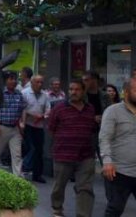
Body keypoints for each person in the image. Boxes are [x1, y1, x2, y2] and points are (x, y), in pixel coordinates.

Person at [48, 79, 97, 217]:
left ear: (83, 91)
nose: (73, 92)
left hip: (86, 155)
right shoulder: (59, 108)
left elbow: (92, 129)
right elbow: (51, 129)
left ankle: (83, 214)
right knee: (59, 185)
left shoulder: (90, 109)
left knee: (85, 188)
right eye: (71, 89)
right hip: (64, 154)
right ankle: (57, 209)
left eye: (77, 89)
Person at [99, 77, 136, 217]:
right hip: (119, 171)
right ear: (127, 92)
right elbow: (104, 138)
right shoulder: (113, 111)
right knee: (115, 209)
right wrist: (107, 161)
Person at [0, 70, 27, 177]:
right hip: (1, 127)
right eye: (11, 79)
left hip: (15, 128)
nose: (14, 81)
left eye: (15, 79)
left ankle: (18, 178)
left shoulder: (19, 94)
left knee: (17, 154)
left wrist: (22, 122)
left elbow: (23, 108)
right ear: (5, 81)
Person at [22, 74, 51, 183]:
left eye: (41, 82)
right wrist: (31, 116)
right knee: (30, 148)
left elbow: (48, 109)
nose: (40, 84)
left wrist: (43, 116)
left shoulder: (45, 95)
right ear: (32, 82)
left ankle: (37, 174)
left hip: (39, 126)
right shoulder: (25, 93)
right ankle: (24, 168)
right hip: (28, 125)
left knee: (39, 150)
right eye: (37, 82)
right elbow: (21, 109)